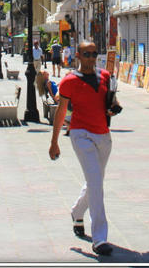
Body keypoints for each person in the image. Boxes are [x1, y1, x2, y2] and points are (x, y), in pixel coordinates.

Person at [48, 41, 116, 256]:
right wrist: (54, 141)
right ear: (78, 55)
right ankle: (100, 238)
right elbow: (61, 111)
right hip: (81, 134)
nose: (91, 58)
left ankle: (77, 212)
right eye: (87, 54)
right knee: (96, 182)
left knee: (95, 182)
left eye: (94, 54)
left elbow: (110, 101)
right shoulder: (69, 81)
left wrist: (113, 108)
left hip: (103, 135)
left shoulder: (105, 76)